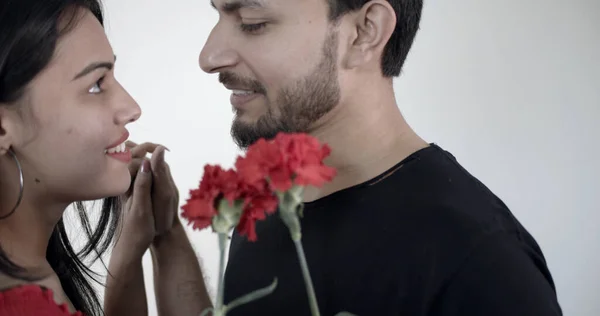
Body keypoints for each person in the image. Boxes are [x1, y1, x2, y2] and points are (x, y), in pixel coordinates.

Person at [199, 0, 563, 315]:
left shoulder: (480, 259)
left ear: (365, 31)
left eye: (252, 23)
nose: (209, 57)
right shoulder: (266, 205)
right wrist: (168, 243)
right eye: (218, 15)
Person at [0, 1, 211, 315]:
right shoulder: (21, 305)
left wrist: (142, 243)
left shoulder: (35, 273)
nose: (131, 107)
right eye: (96, 84)